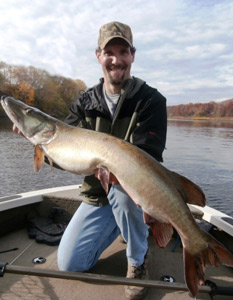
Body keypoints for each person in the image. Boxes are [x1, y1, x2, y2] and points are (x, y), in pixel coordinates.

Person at [14, 21, 167, 300]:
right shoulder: (84, 102)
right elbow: (63, 157)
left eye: (123, 51)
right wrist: (35, 140)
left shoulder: (150, 101)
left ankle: (137, 260)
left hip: (134, 195)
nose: (116, 60)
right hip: (98, 196)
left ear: (133, 55)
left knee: (122, 185)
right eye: (109, 52)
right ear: (98, 55)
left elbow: (150, 158)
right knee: (71, 263)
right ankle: (125, 227)